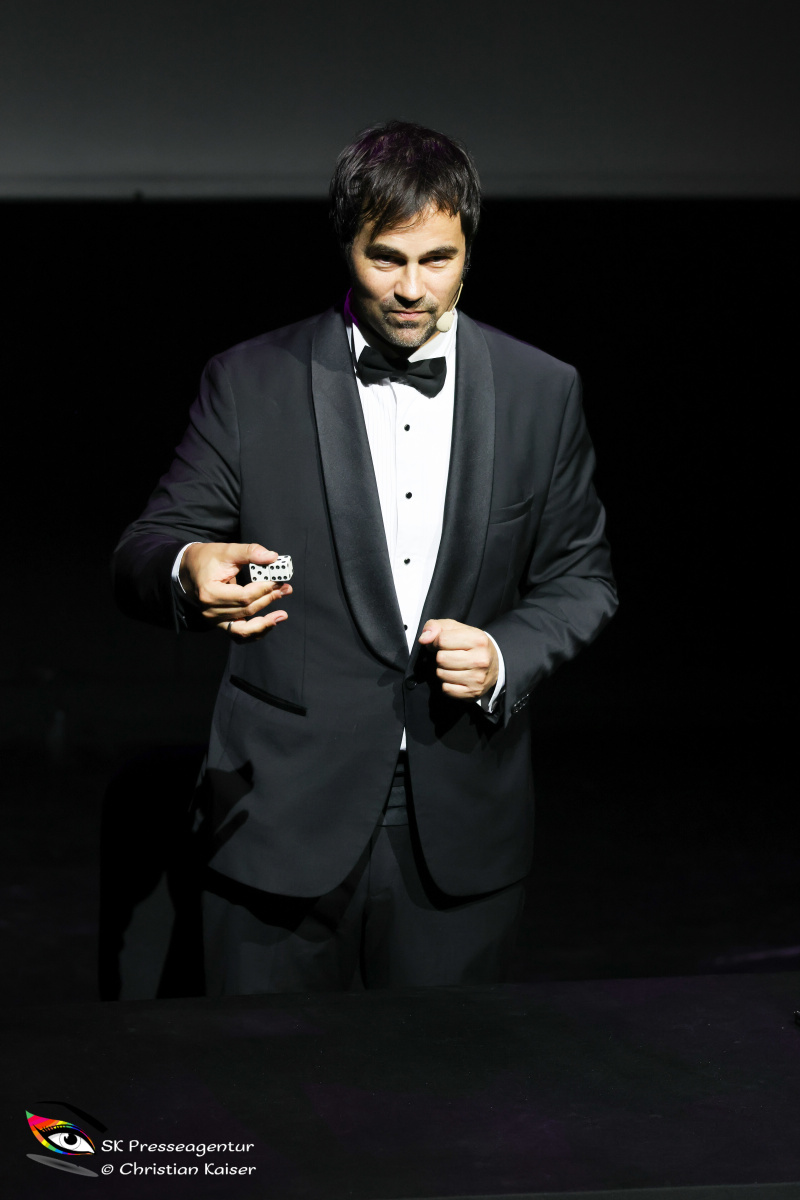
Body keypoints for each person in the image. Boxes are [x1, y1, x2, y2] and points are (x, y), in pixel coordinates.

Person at [112, 120, 617, 996]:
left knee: (444, 1082)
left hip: (461, 825)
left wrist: (505, 654)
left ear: (469, 250)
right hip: (277, 819)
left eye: (438, 260)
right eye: (387, 259)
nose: (413, 289)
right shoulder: (249, 382)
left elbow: (583, 577)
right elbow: (142, 551)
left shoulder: (543, 390)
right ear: (346, 244)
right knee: (263, 1076)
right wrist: (187, 568)